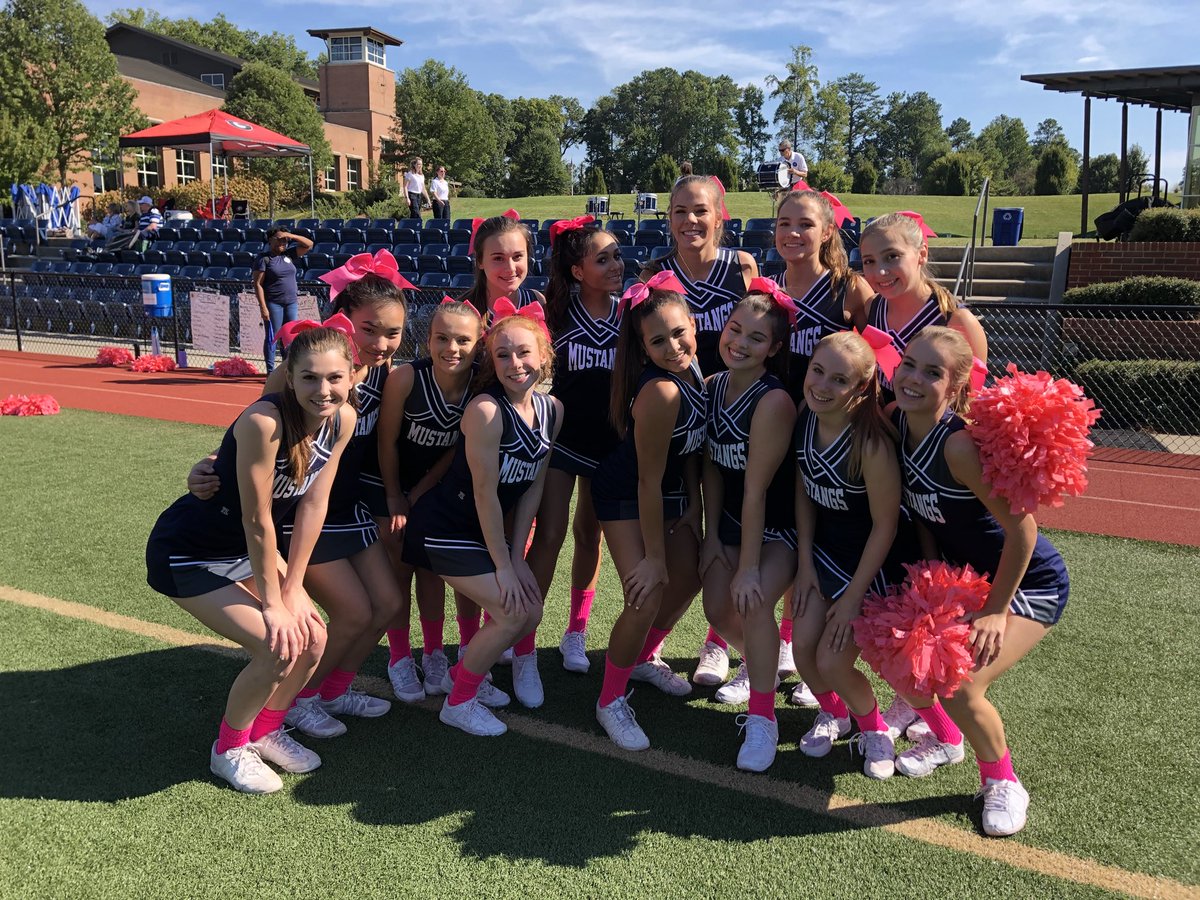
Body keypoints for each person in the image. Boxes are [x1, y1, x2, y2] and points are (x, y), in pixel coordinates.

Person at [187, 259, 413, 740]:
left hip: (345, 502)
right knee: (353, 612)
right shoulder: (306, 370)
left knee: (389, 603)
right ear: (344, 317)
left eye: (391, 332)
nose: (379, 342)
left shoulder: (387, 374)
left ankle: (332, 689)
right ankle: (296, 701)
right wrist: (205, 464)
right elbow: (250, 435)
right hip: (301, 511)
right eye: (368, 329)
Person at [146, 326, 356, 793]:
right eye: (309, 378)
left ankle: (265, 730)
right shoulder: (265, 422)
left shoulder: (344, 420)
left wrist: (294, 585)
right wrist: (273, 602)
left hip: (242, 550)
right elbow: (257, 519)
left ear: (351, 376)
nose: (323, 390)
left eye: (334, 378)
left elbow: (314, 505)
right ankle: (229, 748)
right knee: (276, 643)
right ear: (289, 377)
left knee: (314, 637)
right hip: (189, 552)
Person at [888, 326, 1070, 837]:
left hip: (1029, 583)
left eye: (932, 372)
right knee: (906, 655)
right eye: (908, 364)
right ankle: (947, 741)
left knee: (961, 685)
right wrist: (929, 582)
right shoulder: (897, 425)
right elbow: (923, 515)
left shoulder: (958, 447)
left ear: (957, 388)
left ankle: (1003, 781)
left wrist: (995, 609)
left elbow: (1024, 532)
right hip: (967, 578)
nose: (914, 378)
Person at [401, 302, 561, 736]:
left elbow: (531, 486)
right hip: (444, 527)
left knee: (531, 612)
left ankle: (463, 676)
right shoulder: (487, 411)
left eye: (524, 352)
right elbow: (485, 495)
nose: (515, 363)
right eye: (503, 354)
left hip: (479, 533)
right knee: (513, 614)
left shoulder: (552, 410)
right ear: (490, 360)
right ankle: (459, 702)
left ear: (544, 355)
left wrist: (518, 555)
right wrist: (505, 566)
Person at [642, 174, 757, 684]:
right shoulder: (655, 273)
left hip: (736, 418)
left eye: (700, 211)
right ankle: (651, 644)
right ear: (668, 217)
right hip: (682, 422)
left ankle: (717, 644)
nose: (690, 220)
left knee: (730, 529)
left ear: (720, 216)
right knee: (684, 533)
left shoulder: (743, 268)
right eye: (679, 211)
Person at [591, 274, 706, 751]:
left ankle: (644, 657)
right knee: (646, 592)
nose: (674, 346)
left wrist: (695, 508)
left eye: (679, 332)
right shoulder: (662, 392)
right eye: (658, 341)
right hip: (625, 494)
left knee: (692, 574)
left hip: (670, 492)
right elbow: (646, 480)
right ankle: (610, 700)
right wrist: (653, 557)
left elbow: (695, 448)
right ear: (642, 348)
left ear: (693, 324)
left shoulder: (698, 370)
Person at [377, 299, 502, 706]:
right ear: (427, 339)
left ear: (478, 342)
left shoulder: (481, 386)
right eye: (442, 338)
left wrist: (422, 492)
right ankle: (399, 656)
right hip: (393, 483)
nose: (452, 348)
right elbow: (387, 443)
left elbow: (457, 448)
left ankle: (433, 654)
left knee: (431, 571)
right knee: (400, 568)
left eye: (463, 340)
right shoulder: (405, 379)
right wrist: (396, 496)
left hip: (437, 489)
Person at [791, 331, 902, 779]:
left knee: (832, 660)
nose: (821, 385)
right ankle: (834, 713)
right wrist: (803, 566)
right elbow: (803, 490)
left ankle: (873, 729)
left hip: (868, 569)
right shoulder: (806, 414)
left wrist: (855, 597)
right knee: (802, 650)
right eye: (817, 371)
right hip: (822, 557)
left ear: (860, 388)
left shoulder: (870, 444)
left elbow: (886, 526)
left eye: (839, 380)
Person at [698, 282, 797, 771]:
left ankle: (763, 719)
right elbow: (714, 466)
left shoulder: (773, 401)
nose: (739, 342)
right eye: (735, 330)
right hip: (733, 526)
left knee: (752, 602)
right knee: (717, 608)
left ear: (774, 349)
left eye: (756, 339)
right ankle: (766, 662)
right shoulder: (714, 385)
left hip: (779, 530)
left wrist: (750, 568)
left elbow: (757, 491)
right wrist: (713, 535)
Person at [525, 216, 623, 678]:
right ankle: (524, 633)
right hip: (562, 440)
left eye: (617, 255)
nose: (616, 265)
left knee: (590, 535)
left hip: (611, 443)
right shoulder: (555, 313)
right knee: (549, 533)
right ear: (578, 271)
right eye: (602, 259)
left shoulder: (632, 312)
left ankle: (576, 631)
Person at [860, 212, 986, 404]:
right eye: (869, 261)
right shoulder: (872, 308)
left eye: (892, 256)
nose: (880, 271)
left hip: (932, 433)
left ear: (922, 255)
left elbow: (971, 404)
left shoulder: (957, 321)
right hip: (882, 430)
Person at [771, 191, 872, 401]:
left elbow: (876, 358)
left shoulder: (850, 288)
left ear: (826, 232)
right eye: (784, 224)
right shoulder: (767, 288)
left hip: (826, 415)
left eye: (806, 224)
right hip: (772, 411)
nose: (792, 233)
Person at [462, 214, 546, 320]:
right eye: (498, 258)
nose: (510, 268)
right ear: (480, 261)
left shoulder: (537, 301)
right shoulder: (461, 312)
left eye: (517, 256)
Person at [254, 227, 314, 374]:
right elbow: (258, 284)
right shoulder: (264, 258)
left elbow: (309, 244)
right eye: (279, 239)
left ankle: (287, 368)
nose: (283, 242)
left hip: (291, 302)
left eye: (285, 240)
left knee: (289, 336)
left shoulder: (288, 255)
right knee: (272, 337)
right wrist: (263, 307)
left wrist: (290, 235)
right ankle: (270, 371)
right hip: (274, 303)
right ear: (270, 240)